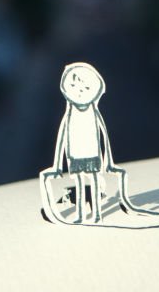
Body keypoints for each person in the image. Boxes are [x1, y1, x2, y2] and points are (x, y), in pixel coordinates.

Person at [50, 62, 114, 223]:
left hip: (92, 152)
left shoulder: (93, 112)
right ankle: (80, 214)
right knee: (79, 182)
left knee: (93, 179)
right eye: (73, 86)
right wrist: (57, 165)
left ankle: (97, 213)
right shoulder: (69, 114)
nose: (79, 91)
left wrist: (109, 161)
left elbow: (104, 135)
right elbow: (61, 139)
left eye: (85, 88)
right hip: (75, 154)